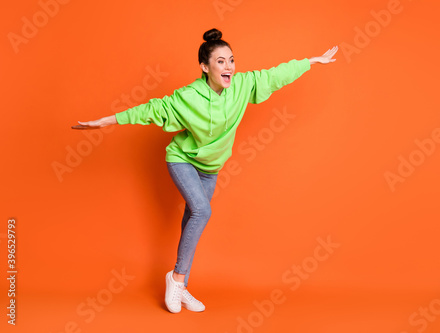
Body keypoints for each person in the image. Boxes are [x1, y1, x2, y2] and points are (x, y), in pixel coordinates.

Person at [72, 28, 338, 314]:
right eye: (221, 61)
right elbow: (150, 109)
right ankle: (176, 280)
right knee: (202, 211)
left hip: (210, 168)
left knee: (192, 220)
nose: (229, 67)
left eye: (232, 60)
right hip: (182, 159)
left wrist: (311, 61)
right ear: (205, 67)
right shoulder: (188, 96)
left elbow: (275, 75)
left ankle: (181, 284)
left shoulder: (242, 86)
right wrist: (106, 121)